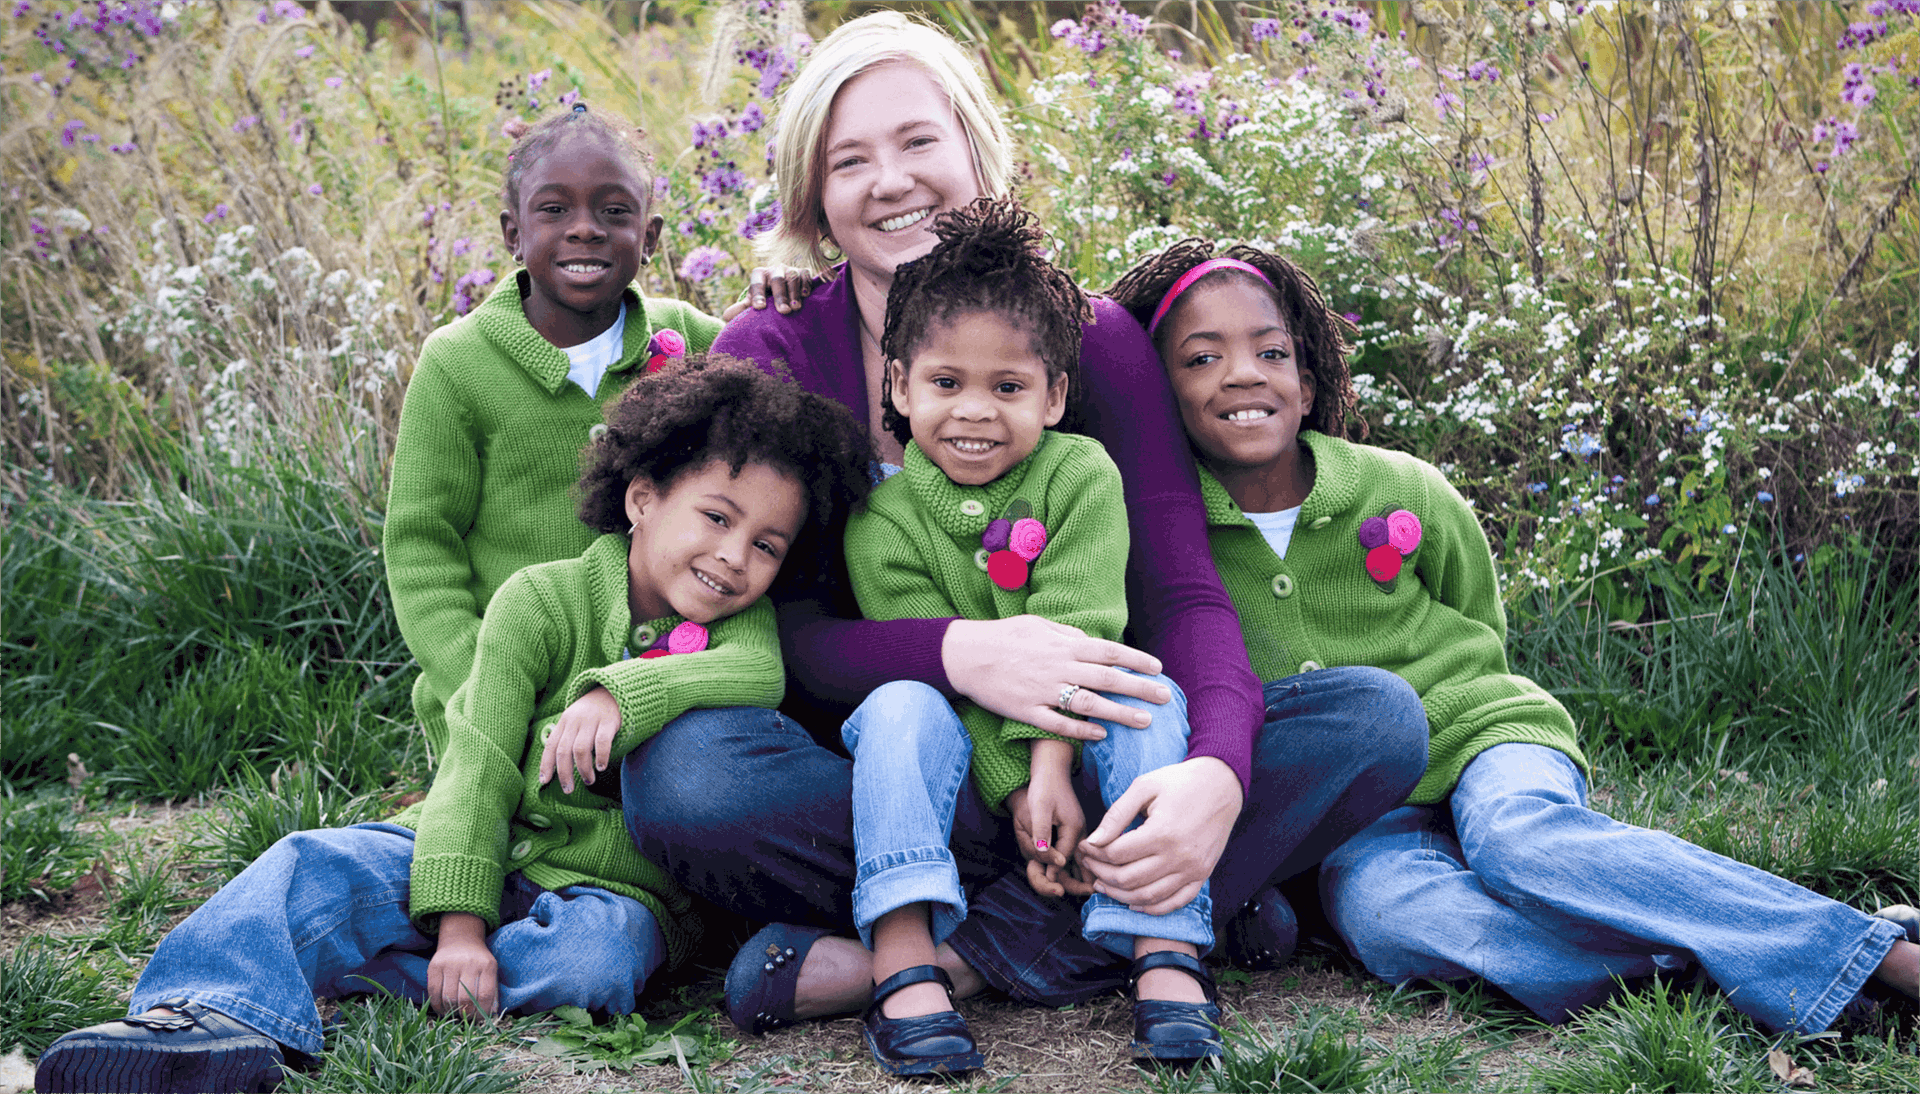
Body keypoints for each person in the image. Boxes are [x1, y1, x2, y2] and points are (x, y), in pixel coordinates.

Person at [621, 9, 1429, 1036]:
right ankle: (1157, 915)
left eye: (919, 141)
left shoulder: (1093, 339)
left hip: (1094, 751)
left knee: (1375, 719)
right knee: (685, 778)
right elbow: (779, 628)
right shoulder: (772, 350)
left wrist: (1217, 778)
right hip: (899, 769)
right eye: (850, 159)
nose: (892, 180)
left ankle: (938, 955)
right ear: (816, 197)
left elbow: (1180, 590)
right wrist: (965, 652)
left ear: (975, 150)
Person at [1103, 237, 1920, 1035]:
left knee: (1521, 844)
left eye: (1270, 352)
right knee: (1391, 920)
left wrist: (1465, 706)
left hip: (1484, 732)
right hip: (1365, 816)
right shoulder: (1169, 544)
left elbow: (1477, 614)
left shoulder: (1400, 488)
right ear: (1160, 402)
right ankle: (1737, 959)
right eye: (1202, 359)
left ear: (1308, 385)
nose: (1243, 373)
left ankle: (1862, 956)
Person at [33, 358, 876, 1094]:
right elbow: (475, 765)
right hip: (476, 838)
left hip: (611, 891)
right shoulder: (540, 601)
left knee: (596, 963)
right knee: (310, 865)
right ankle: (201, 1019)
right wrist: (464, 924)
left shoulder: (740, 632)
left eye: (768, 546)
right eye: (718, 518)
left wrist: (623, 693)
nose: (735, 557)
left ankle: (378, 975)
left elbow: (756, 674)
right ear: (643, 498)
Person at [840, 198, 1220, 1074]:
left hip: (1085, 752)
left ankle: (1164, 949)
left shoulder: (1080, 474)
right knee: (900, 701)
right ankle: (905, 959)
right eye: (945, 384)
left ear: (1052, 397)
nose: (974, 412)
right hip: (961, 775)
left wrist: (1052, 766)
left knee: (1147, 692)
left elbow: (1085, 630)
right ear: (898, 385)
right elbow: (948, 677)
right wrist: (1019, 787)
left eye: (1007, 388)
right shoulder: (882, 518)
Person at [382, 101, 723, 763]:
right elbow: (423, 549)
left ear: (650, 238)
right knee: (512, 837)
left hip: (651, 680)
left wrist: (779, 294)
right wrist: (484, 686)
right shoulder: (458, 363)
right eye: (555, 210)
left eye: (615, 212)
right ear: (513, 232)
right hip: (499, 691)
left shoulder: (692, 342)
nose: (586, 230)